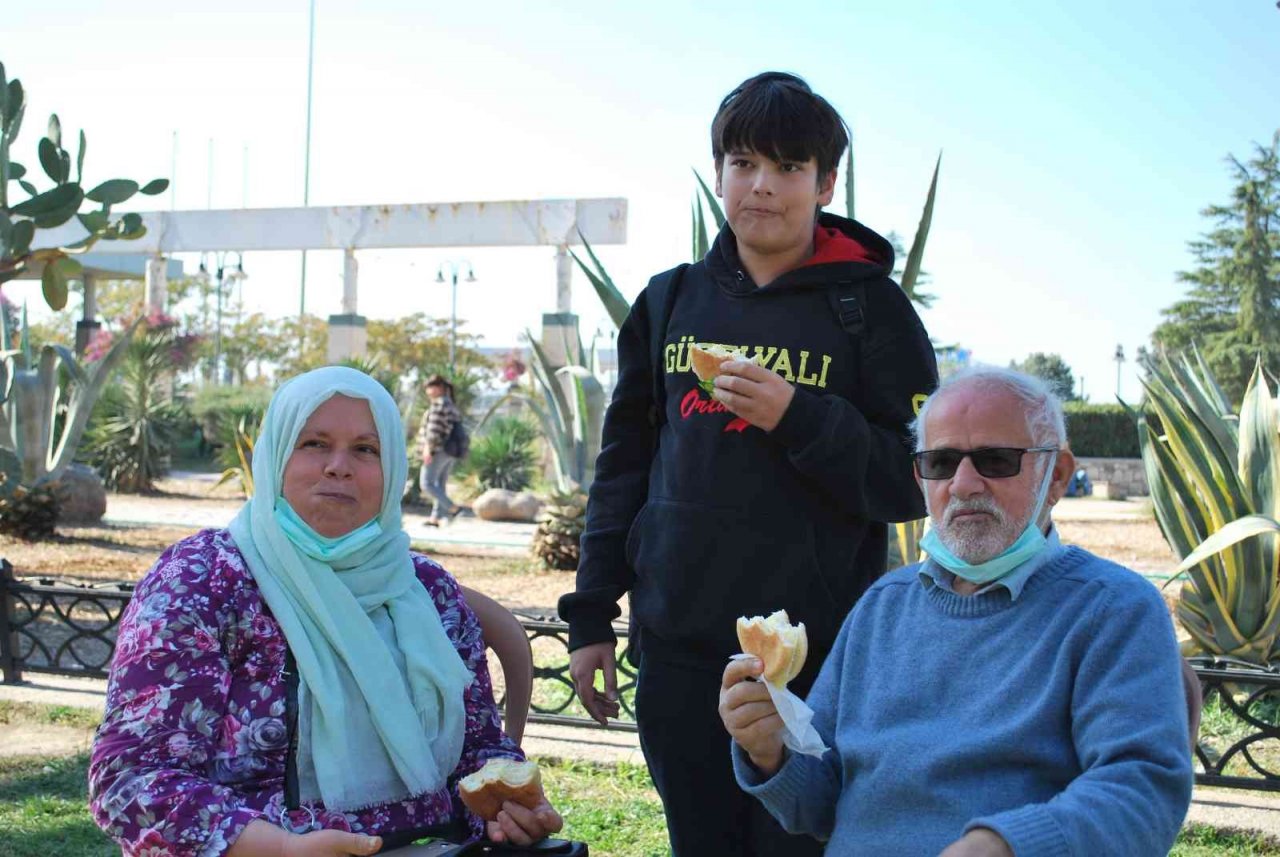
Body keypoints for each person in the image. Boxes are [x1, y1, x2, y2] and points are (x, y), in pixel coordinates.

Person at [558, 71, 938, 855]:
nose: (762, 186)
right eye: (742, 163)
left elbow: (915, 479)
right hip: (676, 650)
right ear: (720, 172)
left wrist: (797, 415)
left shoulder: (869, 309)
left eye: (789, 168)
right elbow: (623, 468)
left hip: (816, 660)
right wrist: (591, 613)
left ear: (825, 182)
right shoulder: (669, 302)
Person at [719, 366, 1194, 856]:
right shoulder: (883, 607)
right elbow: (820, 806)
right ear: (920, 478)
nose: (965, 484)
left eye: (996, 459)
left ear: (1057, 477)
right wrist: (769, 750)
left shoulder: (1112, 608)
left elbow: (1143, 792)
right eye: (942, 462)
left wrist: (1005, 846)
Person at [89, 367, 562, 856]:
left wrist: (508, 811)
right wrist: (279, 849)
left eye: (365, 449)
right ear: (275, 456)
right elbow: (132, 780)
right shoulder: (205, 580)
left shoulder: (427, 591)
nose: (339, 466)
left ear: (393, 467)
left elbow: (478, 754)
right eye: (313, 443)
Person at [417, 374, 465, 526]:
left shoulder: (439, 404)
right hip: (450, 451)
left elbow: (434, 429)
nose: (428, 391)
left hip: (438, 449)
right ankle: (436, 517)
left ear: (439, 388)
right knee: (439, 483)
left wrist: (428, 449)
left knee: (427, 483)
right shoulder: (451, 404)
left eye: (430, 387)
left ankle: (454, 509)